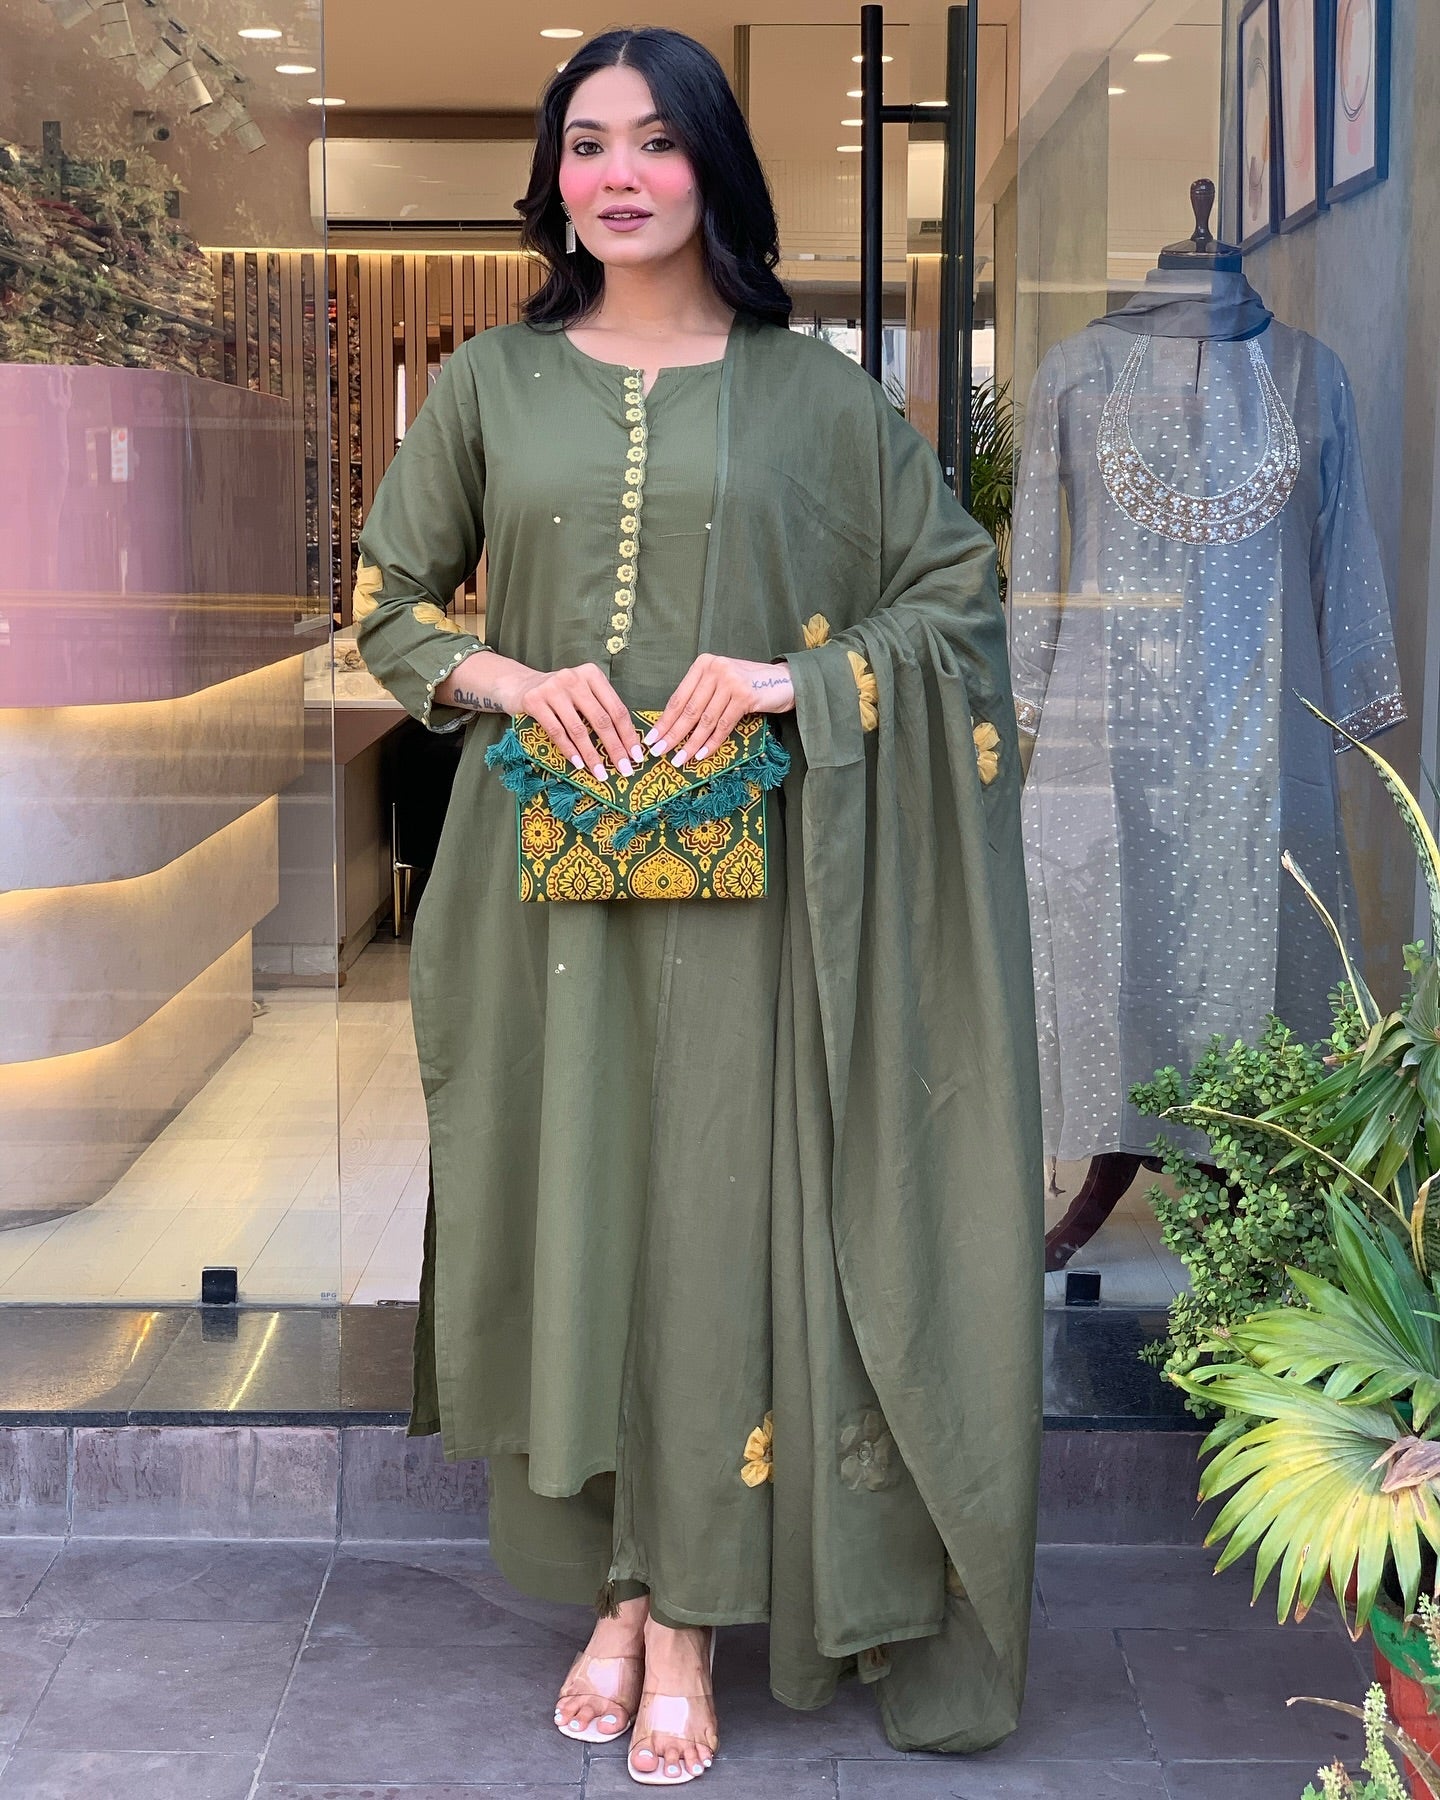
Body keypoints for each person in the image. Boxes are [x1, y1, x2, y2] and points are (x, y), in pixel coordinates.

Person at [353, 24, 1043, 1787]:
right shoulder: (493, 385)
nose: (620, 175)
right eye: (587, 143)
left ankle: (683, 1618)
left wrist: (795, 682)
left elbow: (955, 601)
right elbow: (388, 606)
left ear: (714, 167)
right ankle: (617, 1586)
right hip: (545, 896)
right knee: (578, 1213)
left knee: (717, 1226)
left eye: (656, 141)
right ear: (554, 177)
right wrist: (512, 678)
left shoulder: (816, 396)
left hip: (759, 894)